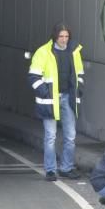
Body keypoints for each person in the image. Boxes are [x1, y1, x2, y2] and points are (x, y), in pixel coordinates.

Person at [28, 23, 84, 181]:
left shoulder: (74, 51)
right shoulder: (43, 52)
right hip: (50, 100)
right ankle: (51, 170)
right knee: (51, 136)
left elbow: (79, 73)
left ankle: (66, 167)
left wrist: (79, 89)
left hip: (68, 97)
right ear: (55, 36)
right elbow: (33, 76)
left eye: (67, 36)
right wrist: (45, 92)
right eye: (61, 36)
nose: (64, 39)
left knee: (70, 136)